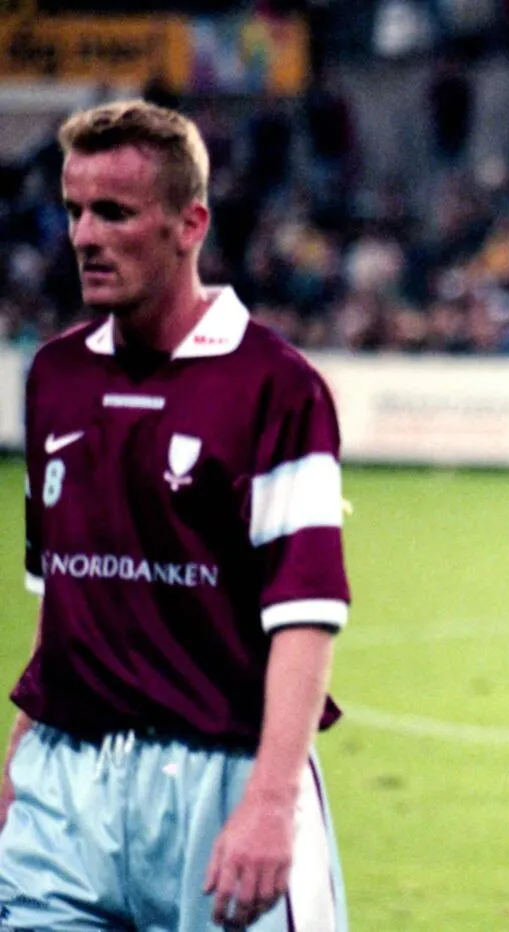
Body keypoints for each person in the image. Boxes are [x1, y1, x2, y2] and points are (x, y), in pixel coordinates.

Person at [0, 100, 349, 931]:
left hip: (220, 783)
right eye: (75, 211)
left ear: (190, 224)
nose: (84, 236)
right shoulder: (54, 378)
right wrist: (18, 761)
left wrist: (271, 801)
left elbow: (306, 616)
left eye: (114, 213)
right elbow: (64, 603)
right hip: (64, 789)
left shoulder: (276, 387)